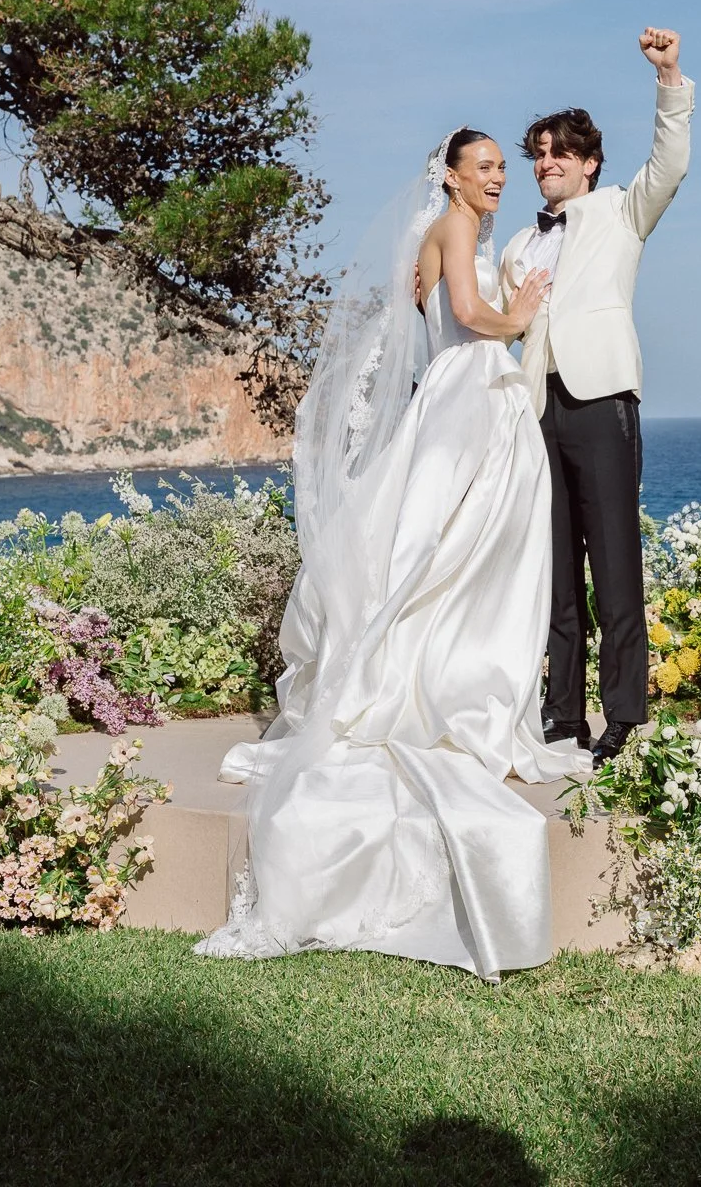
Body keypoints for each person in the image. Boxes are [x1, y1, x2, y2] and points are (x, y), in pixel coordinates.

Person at [196, 127, 590, 981]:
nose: (498, 178)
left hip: (467, 396)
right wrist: (519, 319)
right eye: (484, 167)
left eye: (501, 168)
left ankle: (447, 679)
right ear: (450, 176)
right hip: (470, 394)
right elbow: (470, 316)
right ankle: (439, 690)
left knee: (459, 556)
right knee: (443, 555)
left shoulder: (451, 233)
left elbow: (433, 303)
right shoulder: (454, 228)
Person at [499, 28, 694, 765]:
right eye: (539, 154)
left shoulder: (622, 210)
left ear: (589, 163)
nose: (546, 163)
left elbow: (670, 162)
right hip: (535, 409)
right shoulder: (517, 246)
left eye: (560, 153)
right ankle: (561, 713)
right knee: (553, 570)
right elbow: (496, 320)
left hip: (602, 399)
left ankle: (624, 716)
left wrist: (668, 77)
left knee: (614, 566)